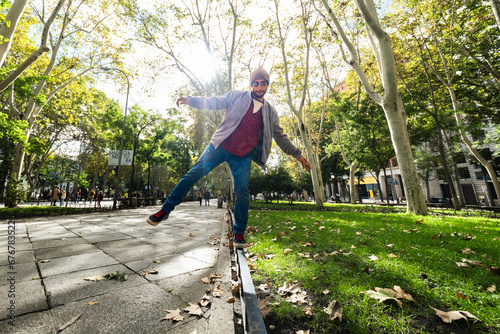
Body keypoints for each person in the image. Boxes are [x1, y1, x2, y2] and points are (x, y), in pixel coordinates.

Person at [146, 67, 311, 248]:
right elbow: (214, 102)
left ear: (267, 85)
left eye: (263, 84)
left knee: (242, 190)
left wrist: (298, 155)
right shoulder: (237, 97)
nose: (259, 87)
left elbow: (280, 137)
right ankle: (165, 210)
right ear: (251, 84)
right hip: (219, 146)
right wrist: (191, 101)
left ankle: (239, 232)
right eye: (255, 84)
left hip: (242, 155)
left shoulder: (270, 112)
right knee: (192, 175)